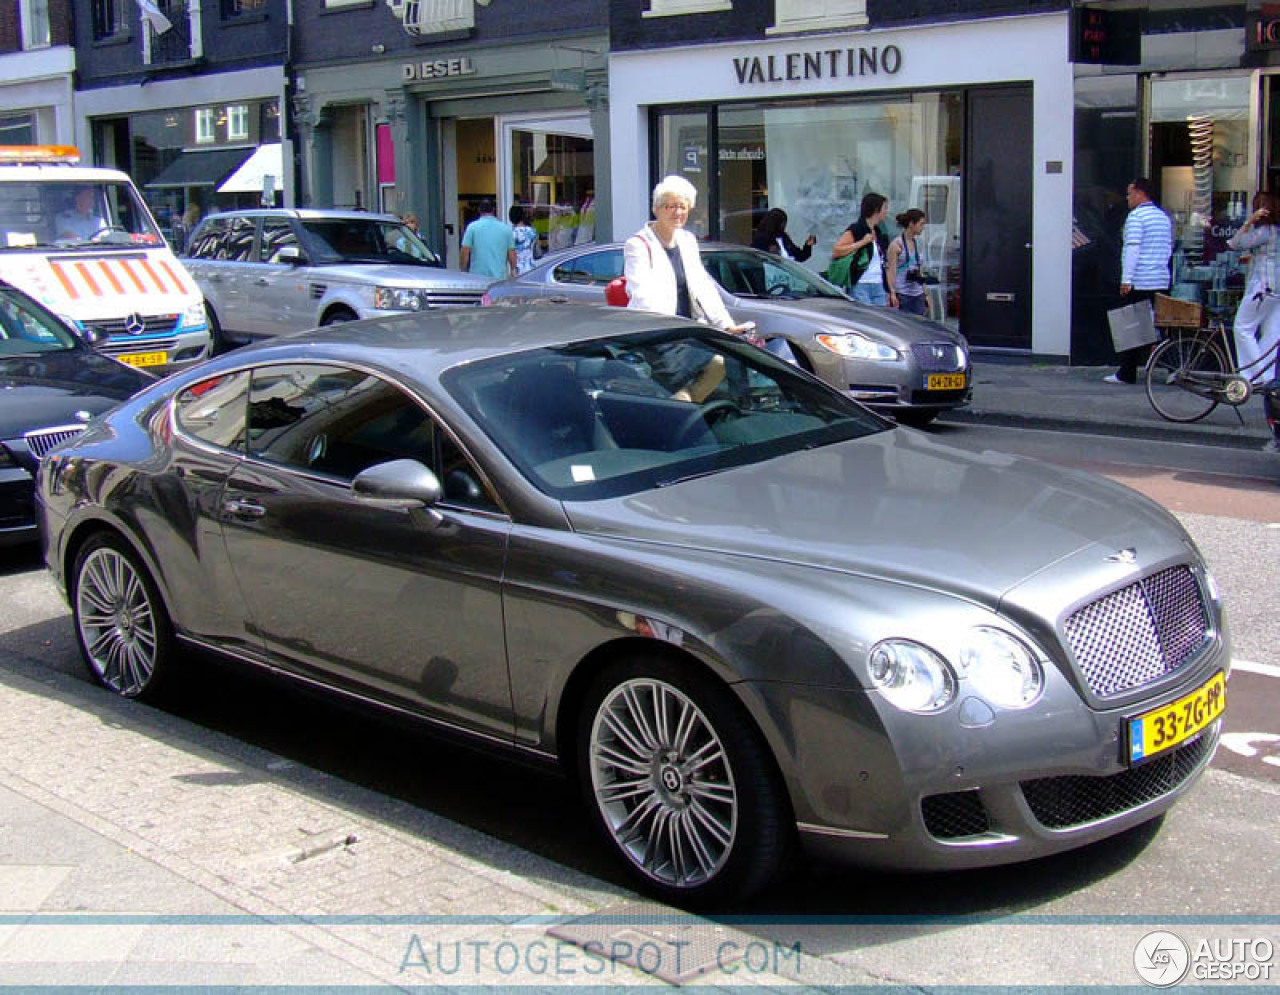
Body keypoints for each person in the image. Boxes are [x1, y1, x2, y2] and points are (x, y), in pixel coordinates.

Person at [624, 175, 755, 401]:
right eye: (671, 206)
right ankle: (682, 410)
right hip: (657, 332)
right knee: (714, 364)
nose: (678, 212)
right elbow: (642, 293)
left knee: (731, 359)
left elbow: (703, 286)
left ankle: (685, 406)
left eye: (683, 207)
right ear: (657, 209)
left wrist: (725, 324)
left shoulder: (687, 240)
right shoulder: (638, 244)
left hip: (688, 329)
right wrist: (669, 328)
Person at [1106, 178, 1173, 384]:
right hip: (1160, 279)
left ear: (1139, 193)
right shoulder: (1163, 217)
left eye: (1129, 193)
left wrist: (1126, 279)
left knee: (1131, 327)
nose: (1127, 198)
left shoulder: (1136, 217)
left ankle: (1127, 372)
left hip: (1140, 280)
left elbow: (1132, 249)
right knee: (1160, 326)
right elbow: (1169, 248)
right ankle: (1172, 368)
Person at [1228, 192, 1280, 454]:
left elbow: (1235, 243)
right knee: (1271, 334)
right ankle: (1269, 378)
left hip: (1263, 286)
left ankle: (1253, 374)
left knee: (1242, 327)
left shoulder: (1265, 231)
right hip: (1278, 289)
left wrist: (1248, 221)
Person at [831, 192, 891, 305]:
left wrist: (889, 289)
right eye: (884, 208)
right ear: (876, 209)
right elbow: (837, 251)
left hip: (878, 283)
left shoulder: (879, 232)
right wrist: (862, 242)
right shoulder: (857, 229)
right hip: (861, 283)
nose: (886, 212)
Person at [886, 208, 930, 316]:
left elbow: (920, 270)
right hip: (902, 292)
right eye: (921, 224)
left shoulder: (918, 244)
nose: (923, 228)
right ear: (911, 224)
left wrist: (926, 294)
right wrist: (892, 292)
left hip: (918, 292)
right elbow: (891, 270)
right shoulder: (897, 244)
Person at [459, 201, 514, 280]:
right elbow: (512, 254)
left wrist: (463, 270)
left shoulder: (472, 227)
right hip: (499, 276)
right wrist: (513, 270)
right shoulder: (506, 229)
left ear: (479, 210)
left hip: (477, 276)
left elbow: (465, 251)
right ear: (493, 210)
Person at [750, 208, 816, 261]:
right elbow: (754, 257)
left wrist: (808, 245)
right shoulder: (761, 239)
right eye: (783, 223)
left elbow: (800, 256)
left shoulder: (784, 238)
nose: (784, 226)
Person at [509, 205, 539, 275]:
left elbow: (511, 253)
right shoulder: (532, 231)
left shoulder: (511, 233)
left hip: (518, 269)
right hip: (532, 267)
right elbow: (536, 248)